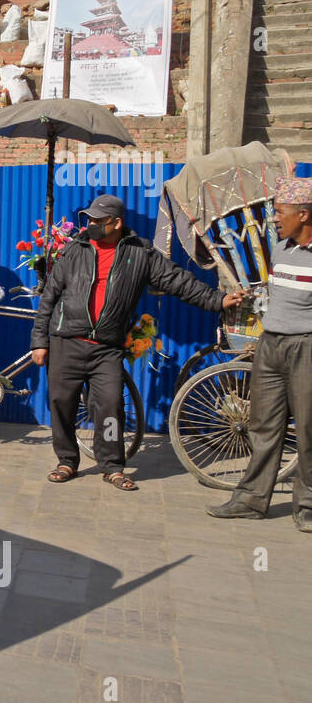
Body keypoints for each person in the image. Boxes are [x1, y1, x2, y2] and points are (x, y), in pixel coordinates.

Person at [31, 193, 244, 491]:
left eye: (97, 220)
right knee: (62, 405)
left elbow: (179, 282)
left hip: (106, 348)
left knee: (110, 405)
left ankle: (112, 466)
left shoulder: (139, 254)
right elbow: (49, 299)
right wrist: (39, 341)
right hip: (66, 341)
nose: (90, 224)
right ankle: (67, 460)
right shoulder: (74, 251)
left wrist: (218, 300)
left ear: (116, 223)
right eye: (88, 219)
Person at [208, 176, 312, 532]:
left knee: (308, 428)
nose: (275, 219)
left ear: (304, 214)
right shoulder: (281, 248)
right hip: (271, 346)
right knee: (263, 424)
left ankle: (308, 504)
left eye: (281, 213)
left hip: (306, 347)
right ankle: (251, 500)